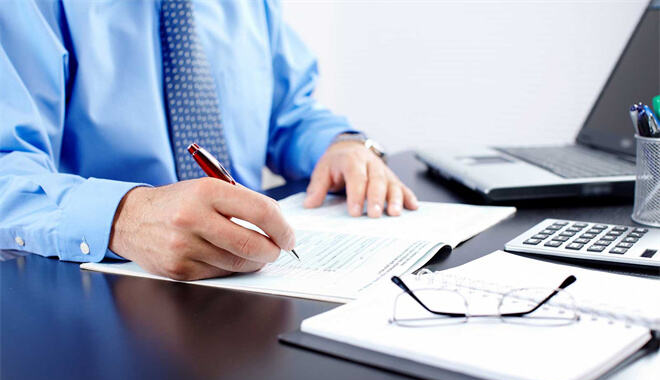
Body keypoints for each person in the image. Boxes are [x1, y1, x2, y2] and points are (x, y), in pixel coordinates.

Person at [0, 0, 418, 280]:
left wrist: (340, 144)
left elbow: (288, 113)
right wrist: (123, 217)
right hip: (92, 293)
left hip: (245, 290)